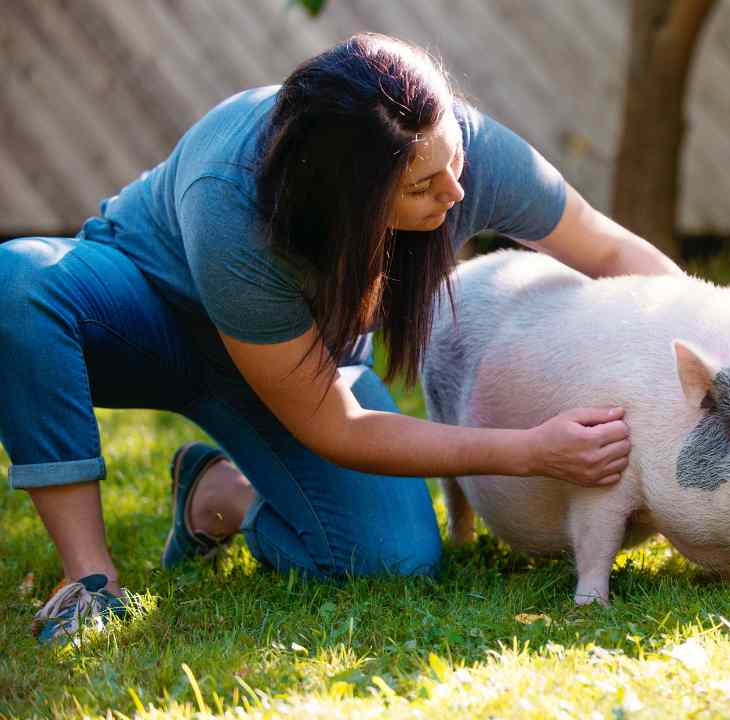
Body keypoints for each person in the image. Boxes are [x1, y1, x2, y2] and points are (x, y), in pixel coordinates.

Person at [0, 32, 682, 644]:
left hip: (299, 364)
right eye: (421, 187)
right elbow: (339, 425)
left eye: (453, 161)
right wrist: (531, 451)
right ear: (345, 202)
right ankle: (91, 585)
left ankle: (218, 492)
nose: (455, 189)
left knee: (394, 558)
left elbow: (609, 250)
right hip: (151, 316)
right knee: (19, 283)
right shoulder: (231, 199)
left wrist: (712, 348)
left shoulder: (453, 151)